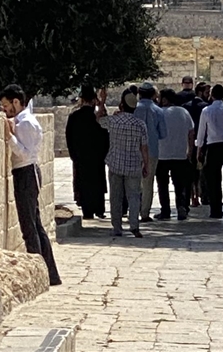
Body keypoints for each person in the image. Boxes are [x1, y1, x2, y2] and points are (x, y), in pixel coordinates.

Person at [0, 85, 62, 285]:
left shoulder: (25, 123)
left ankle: (39, 274)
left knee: (30, 226)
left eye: (7, 105)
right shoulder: (23, 121)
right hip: (26, 173)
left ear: (16, 102)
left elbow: (25, 153)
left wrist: (9, 137)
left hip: (26, 173)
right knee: (34, 224)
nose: (5, 110)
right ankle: (49, 274)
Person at [96, 88, 149, 239]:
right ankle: (134, 226)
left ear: (121, 104)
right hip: (133, 165)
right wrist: (146, 165)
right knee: (134, 196)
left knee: (116, 197)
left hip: (115, 164)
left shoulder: (114, 121)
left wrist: (102, 103)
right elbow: (144, 147)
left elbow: (99, 119)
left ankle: (117, 227)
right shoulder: (140, 124)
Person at [65, 86, 109, 219]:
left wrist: (73, 155)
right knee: (98, 181)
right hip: (97, 156)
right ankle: (99, 209)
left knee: (83, 183)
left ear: (82, 99)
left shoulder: (74, 116)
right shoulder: (98, 117)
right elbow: (105, 136)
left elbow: (69, 137)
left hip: (81, 156)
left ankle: (87, 210)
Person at [197, 84, 223, 218]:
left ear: (212, 95)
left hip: (213, 146)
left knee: (214, 179)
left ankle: (216, 209)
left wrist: (199, 150)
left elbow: (201, 131)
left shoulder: (206, 110)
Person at [155, 89, 194, 220]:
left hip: (162, 153)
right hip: (180, 153)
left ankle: (165, 210)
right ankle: (181, 207)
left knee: (162, 184)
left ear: (165, 99)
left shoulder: (160, 113)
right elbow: (191, 133)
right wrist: (190, 151)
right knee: (179, 184)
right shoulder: (184, 112)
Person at [133, 82, 167, 223]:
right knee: (148, 183)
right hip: (151, 151)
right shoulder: (158, 111)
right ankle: (145, 213)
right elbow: (163, 133)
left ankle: (132, 211)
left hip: (134, 150)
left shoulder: (134, 109)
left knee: (133, 183)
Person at [183, 82, 210, 207]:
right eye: (206, 92)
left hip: (188, 141)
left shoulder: (185, 107)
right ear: (200, 92)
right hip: (203, 142)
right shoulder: (205, 107)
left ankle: (191, 196)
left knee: (190, 171)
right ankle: (202, 195)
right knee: (202, 172)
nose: (208, 95)